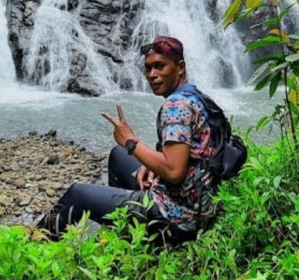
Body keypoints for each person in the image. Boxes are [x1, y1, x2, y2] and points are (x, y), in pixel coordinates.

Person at [36, 36, 222, 245]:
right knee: (119, 156)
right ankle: (126, 235)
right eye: (148, 68)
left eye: (160, 67)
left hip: (177, 219)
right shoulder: (195, 96)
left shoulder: (176, 106)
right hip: (197, 203)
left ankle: (30, 252)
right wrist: (150, 163)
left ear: (180, 68)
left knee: (77, 195)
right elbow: (190, 155)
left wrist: (131, 142)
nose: (152, 75)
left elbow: (174, 172)